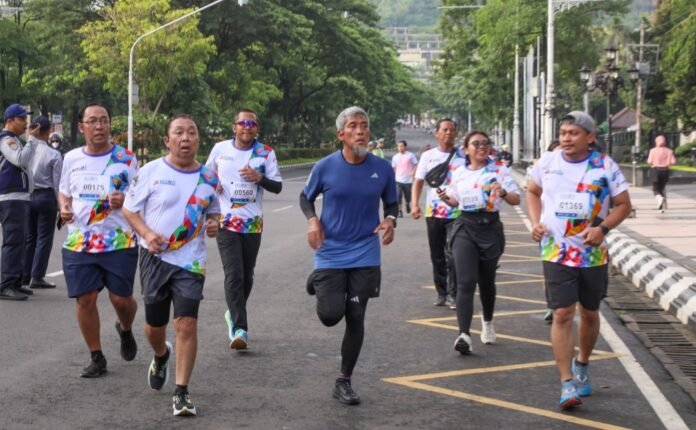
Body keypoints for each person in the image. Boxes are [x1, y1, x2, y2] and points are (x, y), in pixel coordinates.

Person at [526, 111, 632, 410]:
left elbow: (623, 205)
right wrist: (535, 222)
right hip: (556, 250)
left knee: (589, 312)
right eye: (563, 133)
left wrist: (602, 229)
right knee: (562, 313)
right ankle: (567, 382)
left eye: (573, 133)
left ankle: (582, 363)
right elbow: (532, 191)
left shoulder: (604, 165)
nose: (566, 138)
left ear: (590, 137)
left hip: (592, 253)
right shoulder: (548, 162)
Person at [123, 114, 220, 417]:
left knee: (187, 323)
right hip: (155, 258)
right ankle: (161, 353)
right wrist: (147, 234)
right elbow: (129, 210)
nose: (185, 138)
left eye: (191, 132)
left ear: (199, 139)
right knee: (155, 326)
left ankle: (181, 391)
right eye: (179, 132)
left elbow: (213, 212)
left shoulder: (208, 178)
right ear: (167, 140)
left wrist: (214, 224)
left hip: (191, 261)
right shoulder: (150, 171)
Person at [300, 106, 397, 405]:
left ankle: (344, 380)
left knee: (356, 316)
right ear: (341, 134)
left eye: (364, 125)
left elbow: (392, 203)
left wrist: (390, 220)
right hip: (330, 252)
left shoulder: (383, 169)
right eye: (353, 126)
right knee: (331, 316)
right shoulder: (325, 166)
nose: (360, 131)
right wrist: (313, 221)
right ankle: (318, 280)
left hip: (366, 252)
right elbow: (305, 197)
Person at [59, 103, 139, 377]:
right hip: (80, 241)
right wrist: (64, 207)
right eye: (92, 121)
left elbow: (140, 197)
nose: (99, 126)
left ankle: (125, 328)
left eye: (104, 120)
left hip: (119, 241)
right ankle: (97, 356)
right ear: (81, 127)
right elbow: (64, 192)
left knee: (121, 300)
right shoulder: (71, 158)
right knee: (85, 299)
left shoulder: (126, 159)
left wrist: (124, 199)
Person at [437, 131, 520, 354]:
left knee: (486, 281)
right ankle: (464, 334)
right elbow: (455, 201)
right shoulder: (459, 172)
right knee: (465, 282)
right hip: (465, 227)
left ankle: (488, 321)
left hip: (490, 228)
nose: (482, 147)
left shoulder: (499, 170)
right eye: (476, 144)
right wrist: (446, 198)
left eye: (485, 143)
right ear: (466, 149)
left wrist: (503, 192)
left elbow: (516, 199)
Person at [206, 109, 282, 350]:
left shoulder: (265, 152)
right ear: (234, 127)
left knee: (247, 276)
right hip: (226, 221)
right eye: (243, 123)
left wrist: (259, 177)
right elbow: (206, 176)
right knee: (234, 274)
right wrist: (214, 185)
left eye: (252, 124)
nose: (247, 127)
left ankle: (233, 311)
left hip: (252, 223)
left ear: (257, 128)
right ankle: (240, 329)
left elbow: (277, 187)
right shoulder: (220, 149)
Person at [411, 118, 467, 308]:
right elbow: (418, 181)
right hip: (433, 212)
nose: (448, 133)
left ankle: (454, 294)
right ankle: (441, 293)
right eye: (444, 130)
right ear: (437, 133)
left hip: (457, 213)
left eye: (452, 130)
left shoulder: (463, 156)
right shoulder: (428, 156)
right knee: (437, 256)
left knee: (453, 255)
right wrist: (414, 204)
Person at [0, 103, 37, 301]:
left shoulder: (14, 139)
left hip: (18, 197)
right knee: (14, 241)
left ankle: (14, 282)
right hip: (11, 197)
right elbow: (19, 159)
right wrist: (32, 140)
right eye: (22, 119)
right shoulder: (6, 139)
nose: (26, 123)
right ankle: (6, 284)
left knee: (19, 241)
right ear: (10, 120)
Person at [22, 116, 62, 290]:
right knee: (44, 238)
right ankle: (37, 276)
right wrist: (60, 206)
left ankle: (25, 274)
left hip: (28, 195)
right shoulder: (54, 154)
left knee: (30, 237)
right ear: (48, 132)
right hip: (46, 196)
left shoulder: (25, 150)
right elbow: (57, 184)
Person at [647, 135, 676, 213]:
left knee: (655, 189)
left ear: (656, 142)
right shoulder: (669, 151)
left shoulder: (653, 151)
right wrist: (667, 162)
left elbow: (649, 161)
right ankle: (661, 208)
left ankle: (659, 198)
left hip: (656, 170)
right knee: (661, 188)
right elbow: (673, 161)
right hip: (665, 170)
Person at [391, 140, 418, 217]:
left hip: (408, 180)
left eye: (402, 146)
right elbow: (393, 168)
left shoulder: (410, 155)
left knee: (408, 196)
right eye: (399, 146)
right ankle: (400, 211)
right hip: (398, 180)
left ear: (405, 147)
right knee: (398, 196)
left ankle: (407, 203)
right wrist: (393, 177)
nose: (400, 148)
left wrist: (413, 172)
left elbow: (415, 164)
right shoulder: (395, 157)